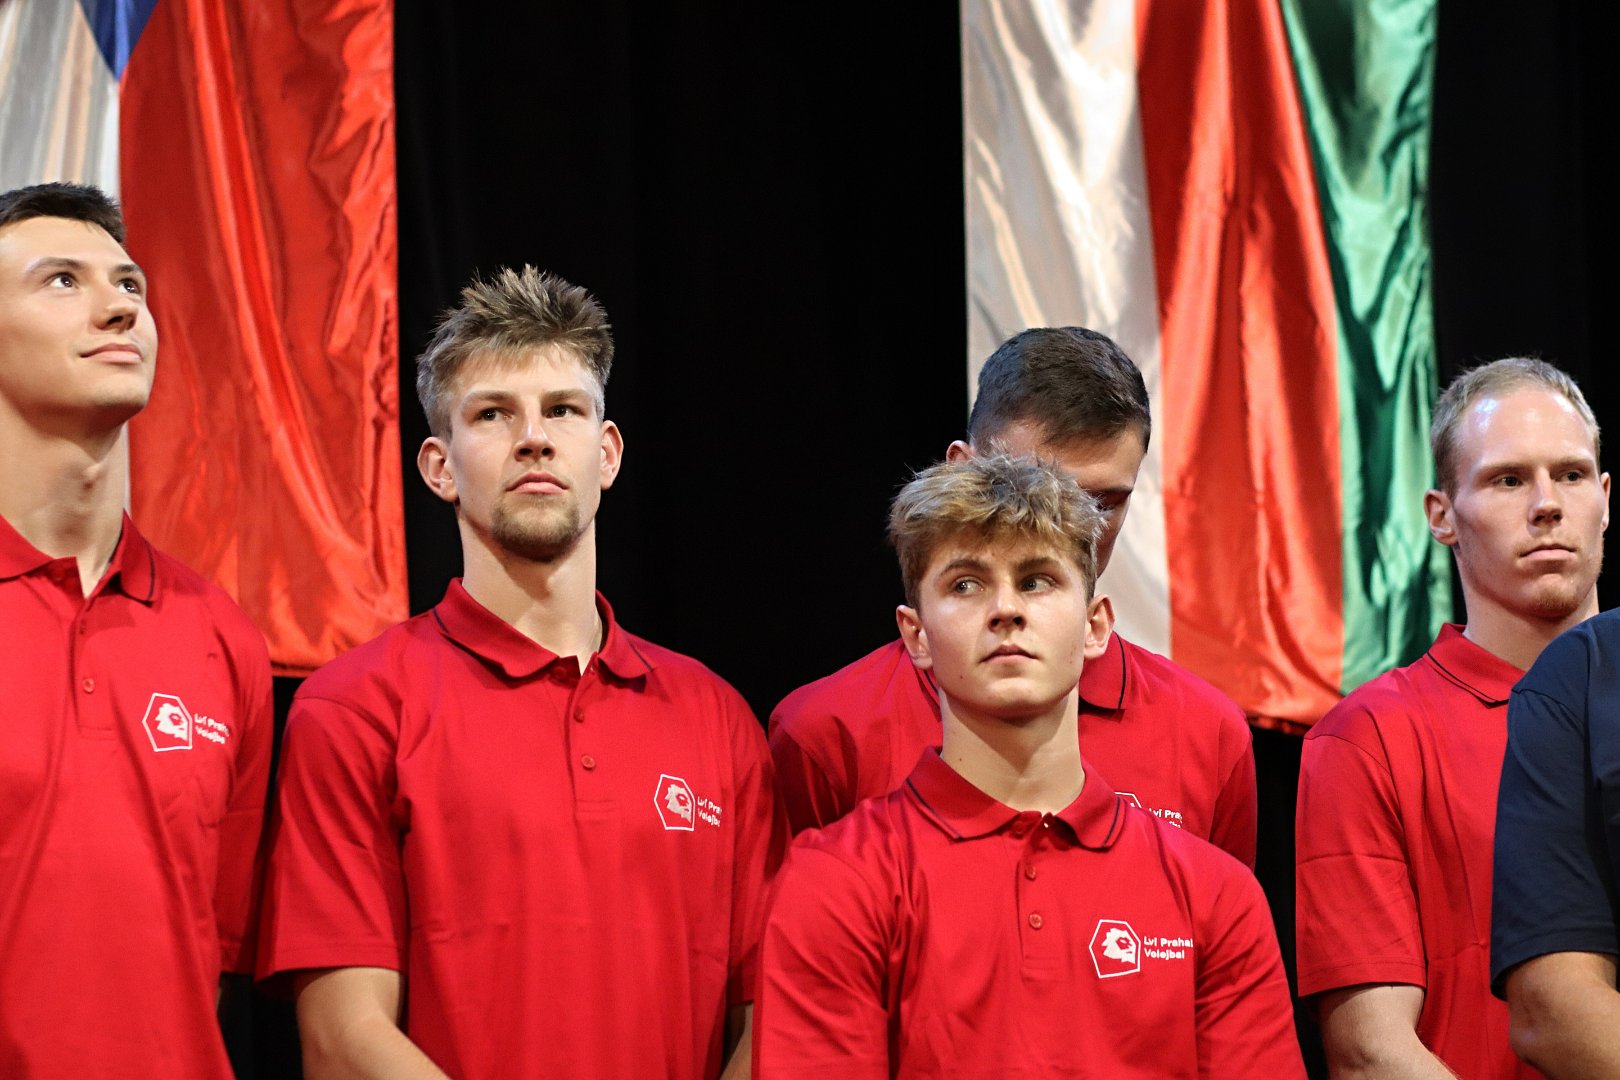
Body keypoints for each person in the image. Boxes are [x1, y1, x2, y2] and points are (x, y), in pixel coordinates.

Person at [258, 266, 786, 1079]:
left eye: (563, 410)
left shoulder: (719, 722)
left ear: (606, 454)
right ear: (439, 467)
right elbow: (342, 1037)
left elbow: (772, 1023)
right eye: (493, 414)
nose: (534, 437)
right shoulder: (356, 707)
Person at [755, 452, 1304, 1077]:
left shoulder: (1216, 894)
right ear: (916, 637)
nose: (1006, 609)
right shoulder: (834, 881)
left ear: (1095, 626)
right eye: (966, 584)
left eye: (1037, 580)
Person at [769, 327, 1256, 865]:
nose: (1079, 528)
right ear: (961, 470)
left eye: (1105, 503)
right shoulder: (825, 735)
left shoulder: (1206, 734)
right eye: (1038, 494)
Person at [0, 182, 273, 1076]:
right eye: (62, 281)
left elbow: (210, 958)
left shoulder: (223, 638)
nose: (120, 307)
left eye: (129, 285)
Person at [1295, 357, 1608, 1077]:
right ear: (1441, 515)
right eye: (1508, 480)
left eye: (1571, 474)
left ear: (1606, 497)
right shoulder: (1369, 738)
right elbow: (1372, 1052)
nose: (1547, 504)